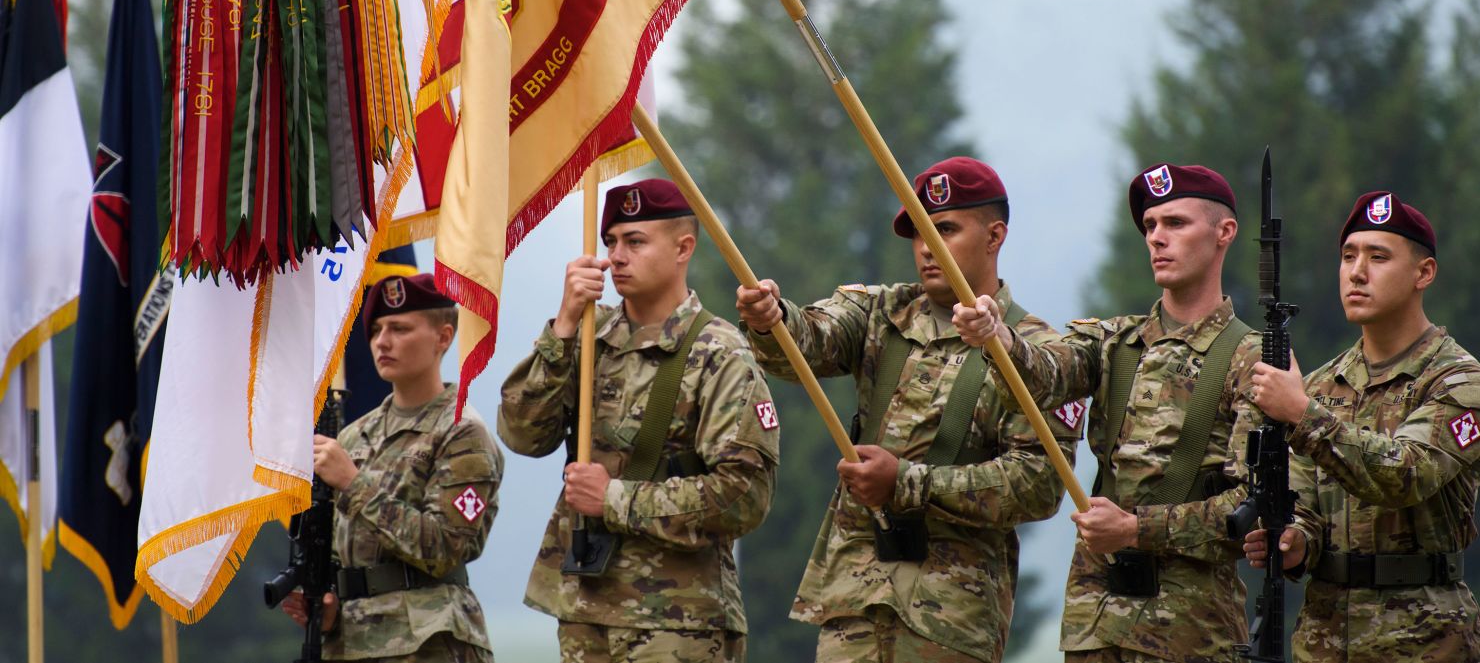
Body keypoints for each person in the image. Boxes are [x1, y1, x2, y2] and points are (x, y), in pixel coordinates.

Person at [736, 156, 1081, 663]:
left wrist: (906, 481)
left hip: (949, 618)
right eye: (917, 232)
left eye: (944, 229)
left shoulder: (1041, 356)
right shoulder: (881, 312)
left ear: (994, 237)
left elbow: (1038, 486)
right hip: (853, 602)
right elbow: (809, 338)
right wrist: (772, 319)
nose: (925, 247)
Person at [955, 162, 1261, 663]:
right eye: (1150, 227)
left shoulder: (1252, 359)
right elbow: (1045, 373)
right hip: (1095, 626)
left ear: (1224, 232)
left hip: (1190, 635)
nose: (1158, 239)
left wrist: (1137, 530)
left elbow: (1252, 507)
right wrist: (1000, 336)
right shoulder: (1112, 342)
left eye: (1176, 223)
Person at [499, 178, 779, 663]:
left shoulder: (720, 353)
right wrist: (563, 326)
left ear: (682, 248)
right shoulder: (588, 334)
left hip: (678, 621)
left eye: (635, 241)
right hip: (585, 606)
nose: (616, 257)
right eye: (611, 242)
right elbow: (522, 433)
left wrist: (614, 498)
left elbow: (743, 496)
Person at [1244, 191, 1480, 662]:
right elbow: (1305, 504)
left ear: (1423, 273)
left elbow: (1406, 475)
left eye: (1378, 257)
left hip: (1427, 638)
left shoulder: (1460, 380)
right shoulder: (1318, 384)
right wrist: (1294, 543)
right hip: (1325, 635)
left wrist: (1302, 414)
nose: (1356, 272)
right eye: (1348, 256)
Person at [282, 273, 502, 662]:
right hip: (350, 641)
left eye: (400, 329)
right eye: (377, 330)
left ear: (443, 337)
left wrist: (352, 483)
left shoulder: (462, 434)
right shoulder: (352, 437)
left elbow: (444, 548)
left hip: (428, 641)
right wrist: (328, 602)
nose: (383, 341)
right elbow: (340, 546)